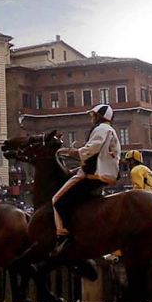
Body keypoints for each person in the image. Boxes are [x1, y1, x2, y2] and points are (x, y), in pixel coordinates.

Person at [49, 103, 121, 258]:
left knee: (57, 200)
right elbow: (98, 156)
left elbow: (89, 151)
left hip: (93, 175)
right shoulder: (111, 131)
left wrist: (69, 152)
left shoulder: (101, 129)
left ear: (99, 117)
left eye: (93, 115)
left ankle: (63, 236)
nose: (91, 118)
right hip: (105, 175)